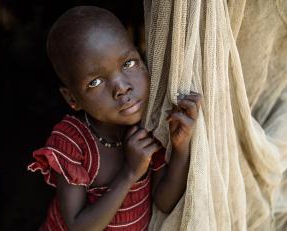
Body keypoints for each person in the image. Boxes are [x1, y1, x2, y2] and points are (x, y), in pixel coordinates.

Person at [28, 6, 201, 231]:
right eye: (95, 82)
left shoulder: (149, 125)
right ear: (72, 98)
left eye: (128, 64)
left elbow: (165, 202)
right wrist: (130, 173)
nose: (121, 88)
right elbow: (79, 227)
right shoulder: (72, 142)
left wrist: (180, 148)